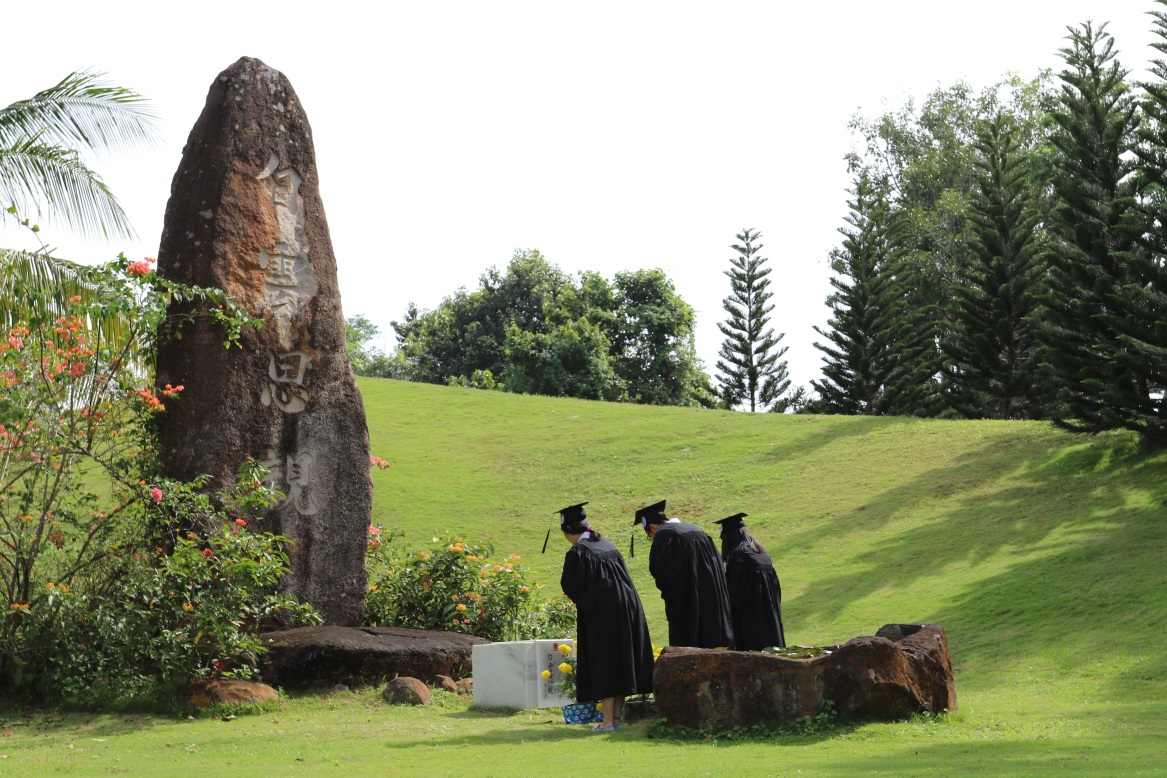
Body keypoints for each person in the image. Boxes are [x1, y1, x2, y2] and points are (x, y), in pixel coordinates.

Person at [557, 502, 654, 732]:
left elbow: (570, 585)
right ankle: (616, 719)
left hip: (603, 614)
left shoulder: (579, 552)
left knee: (606, 663)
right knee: (619, 661)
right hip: (627, 609)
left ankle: (608, 722)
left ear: (569, 532)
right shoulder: (606, 545)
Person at [636, 499, 733, 649]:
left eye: (650, 536)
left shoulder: (665, 537)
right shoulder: (697, 530)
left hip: (688, 607)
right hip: (715, 602)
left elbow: (662, 575)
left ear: (653, 527)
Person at [715, 512, 786, 651]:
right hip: (770, 617)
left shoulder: (740, 557)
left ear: (729, 537)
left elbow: (735, 596)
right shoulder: (762, 554)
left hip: (752, 621)